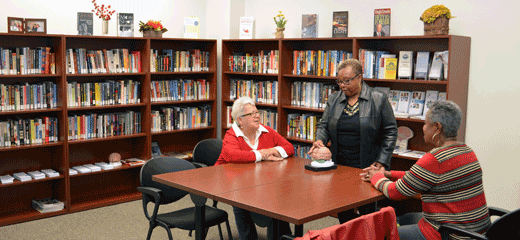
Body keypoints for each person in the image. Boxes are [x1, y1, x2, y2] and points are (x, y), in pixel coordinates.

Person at [361, 100, 491, 240]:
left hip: (451, 235)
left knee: (382, 234)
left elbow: (395, 192)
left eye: (425, 123)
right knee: (406, 218)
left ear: (437, 128)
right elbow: (419, 177)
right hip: (477, 232)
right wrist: (387, 174)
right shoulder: (467, 151)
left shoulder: (435, 159)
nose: (423, 128)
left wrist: (376, 177)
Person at [309, 59, 397, 223]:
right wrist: (319, 140)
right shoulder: (334, 99)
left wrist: (382, 160)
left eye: (347, 81)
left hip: (367, 165)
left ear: (360, 77)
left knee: (366, 214)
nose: (342, 85)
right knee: (343, 210)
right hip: (340, 165)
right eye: (339, 81)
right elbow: (324, 125)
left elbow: (391, 131)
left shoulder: (378, 99)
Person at [216, 96, 294, 240]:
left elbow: (289, 148)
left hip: (258, 179)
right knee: (240, 201)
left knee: (277, 197)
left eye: (257, 112)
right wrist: (262, 155)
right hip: (231, 182)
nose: (257, 116)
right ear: (240, 120)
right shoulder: (231, 135)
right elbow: (234, 156)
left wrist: (270, 151)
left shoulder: (266, 131)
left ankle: (282, 236)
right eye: (251, 114)